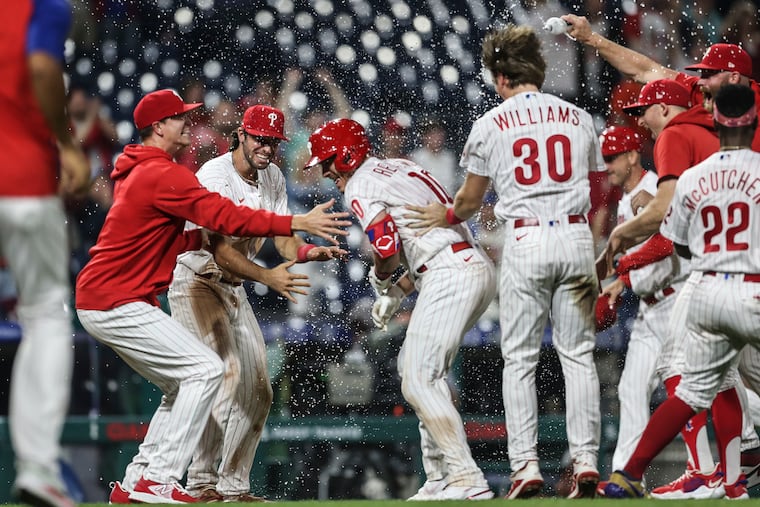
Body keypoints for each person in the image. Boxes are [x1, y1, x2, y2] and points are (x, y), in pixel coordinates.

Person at [74, 89, 350, 504]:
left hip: (116, 296)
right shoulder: (165, 174)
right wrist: (294, 221)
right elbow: (223, 220)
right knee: (206, 371)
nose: (188, 122)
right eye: (178, 117)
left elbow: (188, 236)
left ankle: (135, 481)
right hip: (120, 297)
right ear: (158, 127)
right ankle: (164, 480)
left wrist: (305, 246)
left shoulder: (150, 170)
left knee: (181, 385)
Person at [405, 24, 603, 499]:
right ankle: (587, 461)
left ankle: (526, 466)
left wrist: (446, 213)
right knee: (578, 357)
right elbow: (595, 189)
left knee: (520, 360)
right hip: (576, 236)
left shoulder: (490, 124)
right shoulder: (578, 116)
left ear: (499, 77)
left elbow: (470, 203)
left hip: (528, 240)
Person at [304, 118, 497, 500]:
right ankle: (440, 477)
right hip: (464, 264)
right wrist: (399, 290)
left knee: (417, 378)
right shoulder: (403, 166)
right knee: (423, 370)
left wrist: (382, 282)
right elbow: (426, 239)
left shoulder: (360, 181)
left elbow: (387, 246)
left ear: (346, 154)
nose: (325, 171)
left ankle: (466, 476)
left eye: (327, 160)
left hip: (449, 271)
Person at [168, 105, 346, 502]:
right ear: (242, 136)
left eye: (273, 141)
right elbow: (219, 250)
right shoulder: (216, 176)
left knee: (259, 389)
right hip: (197, 280)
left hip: (234, 285)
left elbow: (282, 236)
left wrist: (304, 254)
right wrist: (268, 277)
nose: (267, 147)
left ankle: (233, 486)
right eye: (260, 139)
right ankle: (200, 482)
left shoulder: (273, 176)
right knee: (225, 375)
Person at [602, 82, 758, 501]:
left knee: (690, 392)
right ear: (755, 122)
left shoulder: (692, 177)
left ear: (716, 123)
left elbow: (677, 240)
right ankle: (734, 476)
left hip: (706, 292)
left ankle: (630, 474)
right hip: (754, 291)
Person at [1, 2, 91, 506]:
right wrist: (66, 142)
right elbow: (40, 66)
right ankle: (37, 467)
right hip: (21, 181)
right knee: (47, 315)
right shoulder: (43, 5)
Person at [595, 126, 684, 487]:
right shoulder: (625, 197)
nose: (608, 166)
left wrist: (622, 272)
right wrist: (621, 283)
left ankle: (714, 466)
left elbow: (670, 245)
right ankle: (626, 478)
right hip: (649, 308)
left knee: (697, 393)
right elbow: (640, 258)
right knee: (632, 389)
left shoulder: (653, 190)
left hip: (676, 303)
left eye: (613, 157)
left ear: (633, 155)